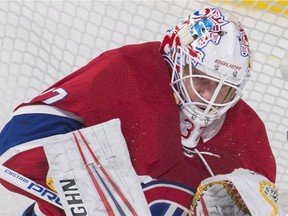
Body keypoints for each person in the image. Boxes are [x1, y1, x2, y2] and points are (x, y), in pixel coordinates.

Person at [0, 7, 276, 216]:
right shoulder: (127, 74)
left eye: (224, 87)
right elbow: (15, 146)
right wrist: (99, 196)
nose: (210, 97)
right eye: (203, 81)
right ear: (176, 59)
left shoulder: (247, 137)